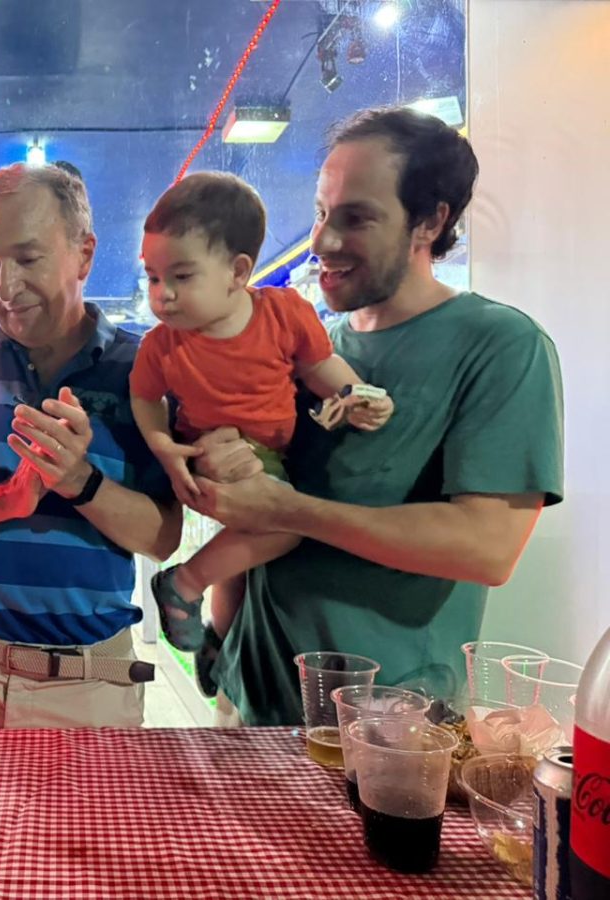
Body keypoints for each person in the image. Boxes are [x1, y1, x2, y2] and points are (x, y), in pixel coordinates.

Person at [188, 107, 564, 725]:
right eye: (321, 213)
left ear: (431, 221)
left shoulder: (501, 345)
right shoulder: (305, 350)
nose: (322, 242)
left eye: (356, 218)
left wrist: (291, 512)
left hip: (388, 724)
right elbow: (252, 508)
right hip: (248, 698)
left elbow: (486, 546)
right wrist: (219, 634)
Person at [0, 162, 182, 729]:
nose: (5, 287)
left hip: (89, 682)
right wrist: (7, 499)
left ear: (84, 255)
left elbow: (162, 537)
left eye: (27, 259)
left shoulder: (144, 369)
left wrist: (78, 481)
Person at [130, 172, 393, 694]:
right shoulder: (163, 346)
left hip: (272, 453)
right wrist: (162, 445)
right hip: (218, 454)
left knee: (248, 547)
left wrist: (354, 394)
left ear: (237, 271)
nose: (164, 296)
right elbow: (144, 398)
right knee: (284, 527)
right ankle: (184, 583)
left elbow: (319, 367)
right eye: (153, 278)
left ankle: (219, 639)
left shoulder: (283, 314)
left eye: (180, 276)